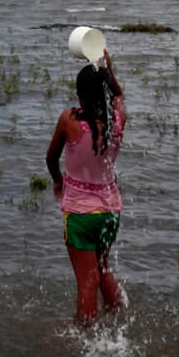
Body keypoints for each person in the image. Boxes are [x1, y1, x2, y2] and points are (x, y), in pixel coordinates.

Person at [46, 51, 126, 324]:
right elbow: (119, 95)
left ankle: (86, 337)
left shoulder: (70, 120)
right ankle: (119, 316)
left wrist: (58, 180)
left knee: (86, 280)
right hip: (110, 211)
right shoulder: (118, 120)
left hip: (80, 214)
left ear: (80, 95)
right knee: (102, 268)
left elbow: (50, 157)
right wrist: (109, 72)